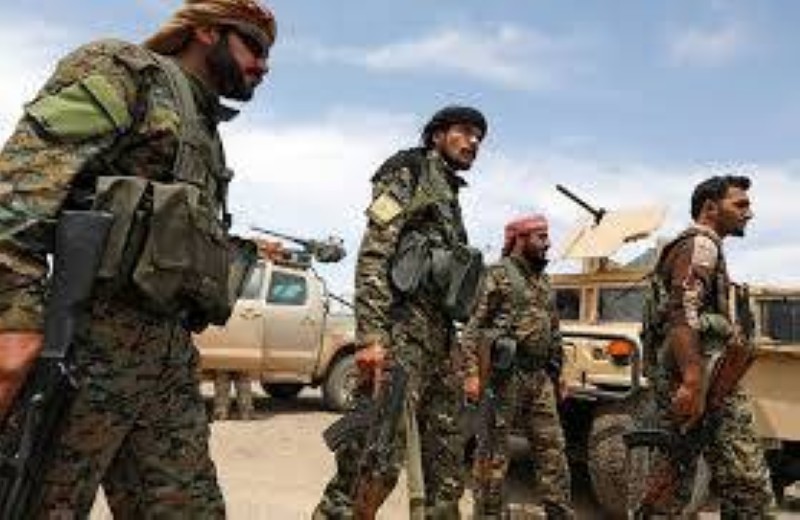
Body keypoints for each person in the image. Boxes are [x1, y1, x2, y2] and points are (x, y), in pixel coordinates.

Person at [0, 0, 275, 516]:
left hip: (165, 359)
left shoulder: (204, 129)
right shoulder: (125, 72)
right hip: (82, 350)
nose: (263, 65)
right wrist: (14, 321)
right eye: (253, 46)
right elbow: (21, 189)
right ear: (207, 32)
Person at [313, 105, 488, 519]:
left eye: (479, 137)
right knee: (373, 464)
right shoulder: (407, 172)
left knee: (446, 470)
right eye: (464, 131)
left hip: (438, 344)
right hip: (400, 340)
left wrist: (461, 361)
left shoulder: (449, 195)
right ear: (437, 135)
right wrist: (372, 338)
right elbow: (375, 253)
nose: (473, 142)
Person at [640, 175, 773, 516]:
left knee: (673, 479)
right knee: (747, 486)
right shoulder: (702, 244)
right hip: (702, 382)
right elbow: (682, 310)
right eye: (740, 204)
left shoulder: (703, 246)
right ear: (711, 208)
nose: (748, 213)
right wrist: (692, 381)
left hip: (704, 380)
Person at [461, 215, 574, 519]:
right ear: (520, 240)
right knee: (493, 453)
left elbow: (554, 330)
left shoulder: (544, 279)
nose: (548, 243)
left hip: (540, 378)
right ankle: (487, 515)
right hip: (504, 377)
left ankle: (558, 512)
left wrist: (560, 373)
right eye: (541, 237)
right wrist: (471, 375)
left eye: (547, 236)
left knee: (553, 450)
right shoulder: (497, 274)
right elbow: (473, 328)